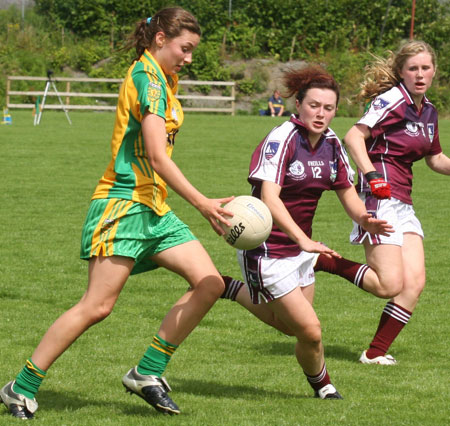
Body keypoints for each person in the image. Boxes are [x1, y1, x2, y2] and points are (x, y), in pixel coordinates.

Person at [0, 7, 234, 420]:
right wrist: (203, 203)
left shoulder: (166, 78)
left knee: (210, 283)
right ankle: (20, 388)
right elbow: (158, 158)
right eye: (185, 48)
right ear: (160, 39)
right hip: (123, 205)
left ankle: (147, 373)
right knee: (97, 306)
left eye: (193, 50)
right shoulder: (148, 80)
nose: (190, 58)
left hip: (154, 208)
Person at [222, 65, 393, 399]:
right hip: (268, 250)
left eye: (328, 108)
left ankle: (229, 288)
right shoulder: (281, 139)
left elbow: (346, 190)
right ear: (298, 103)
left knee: (292, 329)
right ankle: (324, 387)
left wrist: (365, 218)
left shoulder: (331, 143)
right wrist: (301, 239)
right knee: (311, 331)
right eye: (314, 105)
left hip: (302, 250)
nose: (321, 113)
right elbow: (269, 197)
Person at [341, 40, 450, 365]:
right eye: (413, 68)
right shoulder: (392, 101)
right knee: (388, 284)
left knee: (414, 282)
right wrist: (371, 174)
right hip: (379, 199)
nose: (420, 74)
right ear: (401, 72)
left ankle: (374, 353)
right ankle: (326, 262)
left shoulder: (428, 110)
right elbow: (353, 136)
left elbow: (436, 159)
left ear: (434, 71)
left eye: (425, 68)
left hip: (404, 202)